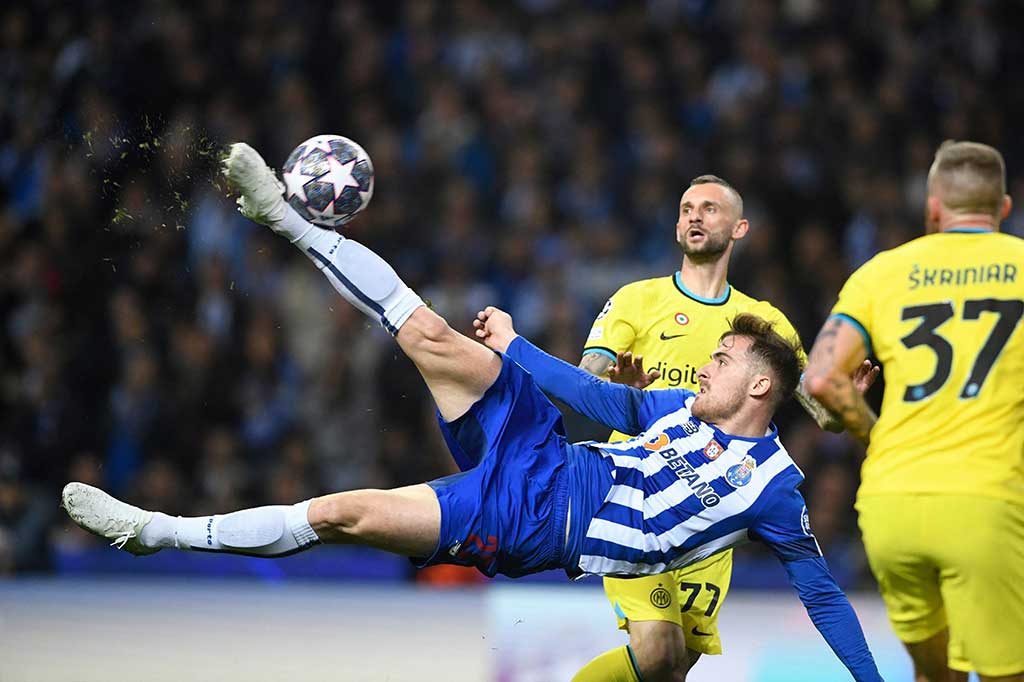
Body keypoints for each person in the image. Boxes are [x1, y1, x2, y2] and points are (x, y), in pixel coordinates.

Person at [62, 142, 885, 681]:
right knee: (430, 332)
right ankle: (281, 215)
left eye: (723, 361)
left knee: (345, 512)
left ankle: (157, 531)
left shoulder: (774, 487)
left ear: (759, 387)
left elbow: (821, 595)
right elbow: (603, 397)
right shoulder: (676, 391)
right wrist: (518, 352)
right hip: (550, 453)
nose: (704, 365)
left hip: (530, 522)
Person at [572, 175, 879, 682]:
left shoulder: (763, 324)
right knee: (657, 652)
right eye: (687, 208)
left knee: (671, 670)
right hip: (637, 496)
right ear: (676, 226)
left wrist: (846, 405)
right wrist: (620, 386)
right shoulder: (636, 298)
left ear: (739, 228)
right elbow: (585, 376)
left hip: (712, 515)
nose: (695, 215)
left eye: (709, 208)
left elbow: (820, 414)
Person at [805, 140, 1024, 682]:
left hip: (890, 505)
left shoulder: (882, 273)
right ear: (1003, 209)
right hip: (987, 504)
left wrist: (876, 435)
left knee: (934, 673)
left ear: (932, 208)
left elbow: (821, 380)